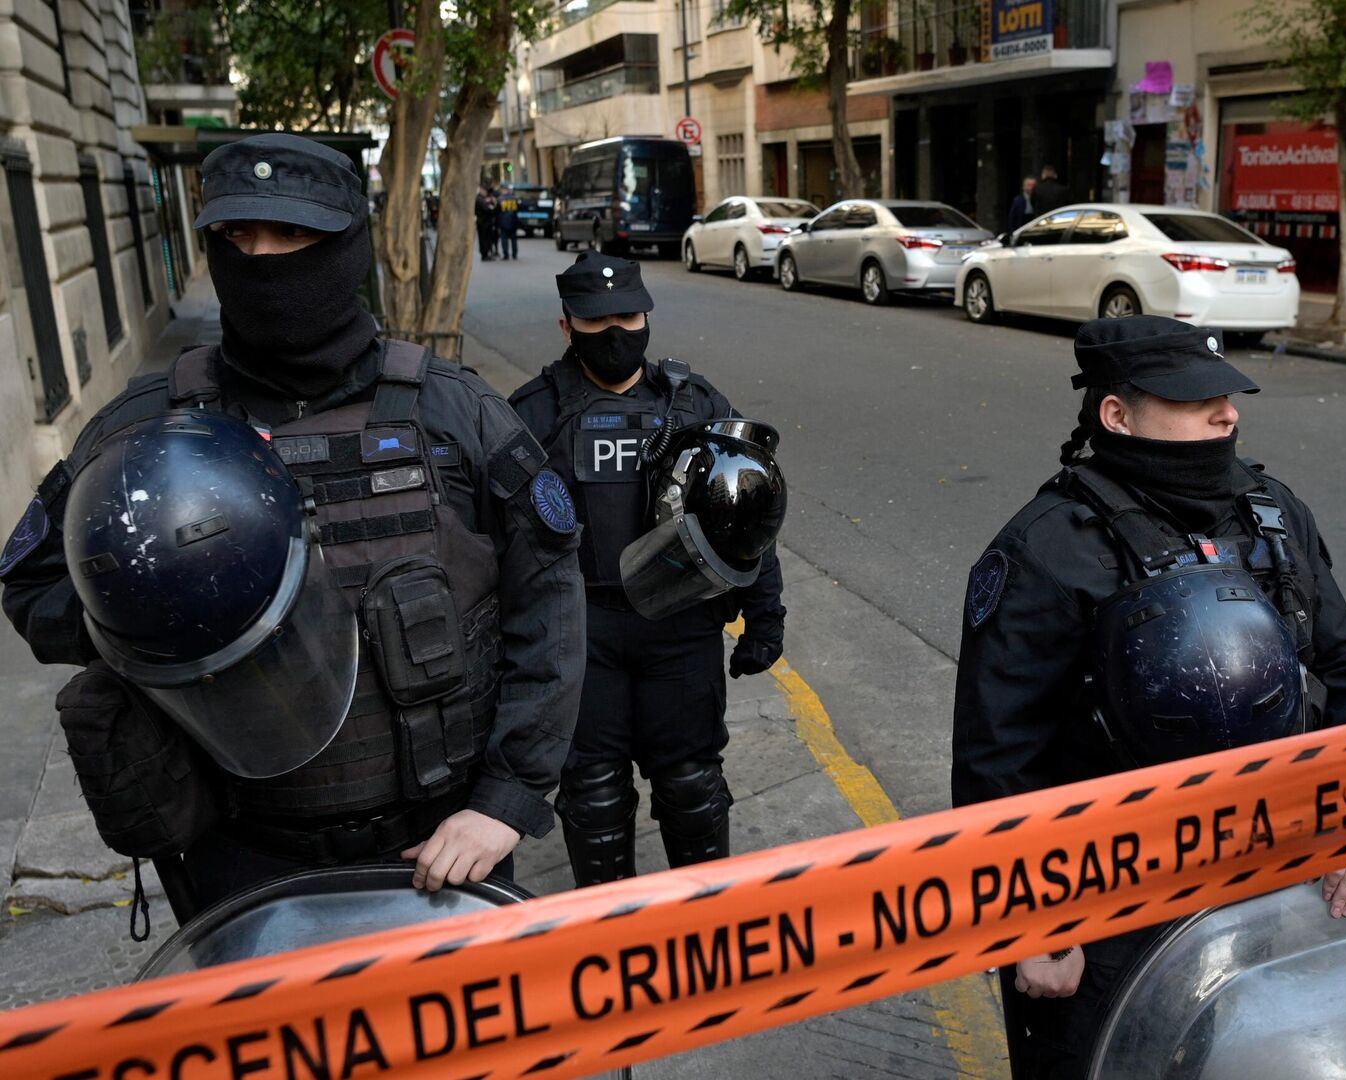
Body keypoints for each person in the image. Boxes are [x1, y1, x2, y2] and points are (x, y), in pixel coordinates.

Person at [0, 133, 586, 912]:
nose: (262, 258)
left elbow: (550, 597)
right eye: (237, 235)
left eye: (292, 234)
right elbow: (32, 581)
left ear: (347, 247)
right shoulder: (146, 431)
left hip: (444, 846)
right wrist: (153, 615)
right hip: (241, 860)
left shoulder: (453, 413)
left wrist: (506, 800)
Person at [953, 316, 1346, 1079]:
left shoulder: (1271, 511)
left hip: (1256, 877)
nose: (1226, 414)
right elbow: (998, 752)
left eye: (1227, 396)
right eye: (1194, 400)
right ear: (1116, 414)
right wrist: (1033, 923)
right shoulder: (1049, 546)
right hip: (1106, 895)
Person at [509, 251, 787, 883]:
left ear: (646, 318)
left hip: (681, 628)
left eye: (627, 317)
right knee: (594, 795)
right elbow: (498, 543)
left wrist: (765, 617)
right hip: (582, 634)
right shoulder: (533, 414)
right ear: (566, 326)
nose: (614, 333)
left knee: (692, 786)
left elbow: (747, 513)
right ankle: (615, 933)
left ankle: (702, 924)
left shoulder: (694, 405)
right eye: (596, 321)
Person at [497, 186, 521, 261]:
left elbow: (497, 210)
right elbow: (520, 207)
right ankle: (514, 254)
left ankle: (506, 254)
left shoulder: (500, 199)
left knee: (504, 239)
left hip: (503, 221)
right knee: (514, 239)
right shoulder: (515, 198)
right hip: (513, 220)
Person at [476, 184, 498, 261]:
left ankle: (487, 253)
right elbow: (487, 209)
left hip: (486, 222)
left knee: (488, 239)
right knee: (483, 239)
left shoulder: (484, 198)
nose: (485, 193)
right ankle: (484, 254)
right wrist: (493, 206)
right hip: (482, 222)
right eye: (484, 191)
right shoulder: (479, 199)